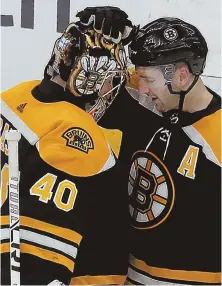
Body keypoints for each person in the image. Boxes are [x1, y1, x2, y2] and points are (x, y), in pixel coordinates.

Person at [76, 10, 221, 285]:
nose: (140, 88)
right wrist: (113, 33)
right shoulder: (143, 102)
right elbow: (79, 88)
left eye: (148, 80)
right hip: (127, 276)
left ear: (181, 76)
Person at [0, 8, 134, 285]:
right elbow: (33, 264)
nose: (119, 85)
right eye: (111, 78)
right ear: (88, 82)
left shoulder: (19, 95)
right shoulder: (77, 138)